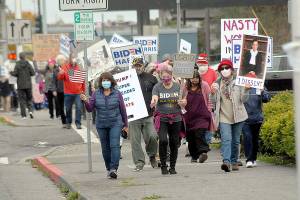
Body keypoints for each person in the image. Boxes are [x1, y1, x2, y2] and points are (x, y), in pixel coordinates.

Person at [81, 72, 128, 179]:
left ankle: (114, 169)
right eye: (103, 80)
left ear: (111, 82)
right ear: (101, 82)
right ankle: (108, 168)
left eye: (107, 80)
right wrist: (85, 101)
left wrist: (126, 124)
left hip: (115, 123)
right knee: (105, 148)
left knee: (114, 145)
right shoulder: (96, 94)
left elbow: (123, 109)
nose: (105, 82)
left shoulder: (117, 93)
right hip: (101, 124)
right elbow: (90, 108)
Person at [212, 59, 250, 172]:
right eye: (222, 68)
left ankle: (234, 161)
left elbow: (243, 99)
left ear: (232, 70)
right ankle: (226, 162)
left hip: (238, 115)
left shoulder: (239, 82)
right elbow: (213, 101)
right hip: (224, 116)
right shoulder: (216, 83)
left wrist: (246, 90)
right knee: (226, 139)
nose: (224, 70)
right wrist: (212, 93)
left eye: (227, 68)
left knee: (236, 140)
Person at [151, 64, 187, 175]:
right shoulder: (157, 87)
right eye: (164, 77)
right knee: (163, 140)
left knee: (174, 142)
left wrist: (183, 103)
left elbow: (184, 101)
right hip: (162, 118)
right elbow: (155, 97)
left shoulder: (178, 87)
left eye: (168, 77)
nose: (166, 79)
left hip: (176, 117)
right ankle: (163, 165)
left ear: (171, 76)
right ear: (160, 76)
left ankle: (172, 166)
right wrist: (154, 102)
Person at [129, 58, 159, 172]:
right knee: (135, 141)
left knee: (152, 136)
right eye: (135, 65)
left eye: (139, 65)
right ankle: (139, 163)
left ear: (143, 66)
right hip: (133, 116)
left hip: (148, 114)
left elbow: (158, 91)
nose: (138, 67)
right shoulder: (127, 79)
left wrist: (156, 101)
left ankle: (152, 156)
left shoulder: (152, 78)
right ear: (132, 66)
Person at [184, 71, 214, 163]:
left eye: (197, 78)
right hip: (189, 116)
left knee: (199, 134)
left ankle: (203, 152)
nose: (195, 80)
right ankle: (194, 156)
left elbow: (209, 98)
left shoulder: (204, 85)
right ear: (189, 78)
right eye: (193, 78)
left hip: (202, 116)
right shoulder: (185, 87)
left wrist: (209, 110)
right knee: (190, 137)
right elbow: (181, 98)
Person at [243, 87, 271, 168]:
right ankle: (249, 160)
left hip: (257, 118)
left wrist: (263, 92)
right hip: (244, 118)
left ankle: (253, 158)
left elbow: (267, 99)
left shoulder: (259, 85)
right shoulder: (242, 85)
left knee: (255, 139)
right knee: (247, 137)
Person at [57, 55, 85, 129]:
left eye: (74, 59)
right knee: (68, 108)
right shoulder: (65, 67)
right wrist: (61, 73)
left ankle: (78, 123)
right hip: (68, 92)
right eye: (72, 59)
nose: (73, 60)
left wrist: (83, 91)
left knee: (79, 107)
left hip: (78, 93)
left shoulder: (79, 67)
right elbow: (60, 78)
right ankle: (68, 122)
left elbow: (83, 81)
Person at [196, 53, 218, 144]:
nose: (201, 65)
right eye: (200, 63)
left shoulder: (212, 72)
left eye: (203, 62)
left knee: (208, 118)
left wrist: (213, 91)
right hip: (197, 100)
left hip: (209, 99)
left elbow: (216, 83)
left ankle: (207, 141)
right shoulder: (195, 72)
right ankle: (199, 140)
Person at [10, 52, 35, 119]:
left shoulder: (17, 64)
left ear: (19, 57)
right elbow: (33, 73)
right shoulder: (28, 63)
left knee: (22, 100)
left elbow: (15, 74)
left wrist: (11, 72)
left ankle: (23, 116)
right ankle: (30, 111)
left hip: (20, 85)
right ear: (25, 57)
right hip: (28, 85)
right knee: (29, 98)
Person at [54, 55, 67, 127]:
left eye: (62, 60)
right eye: (59, 61)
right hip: (59, 90)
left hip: (67, 89)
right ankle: (64, 122)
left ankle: (68, 120)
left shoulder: (68, 68)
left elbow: (72, 77)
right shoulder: (55, 70)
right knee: (61, 107)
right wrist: (54, 90)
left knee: (68, 106)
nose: (61, 62)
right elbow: (54, 81)